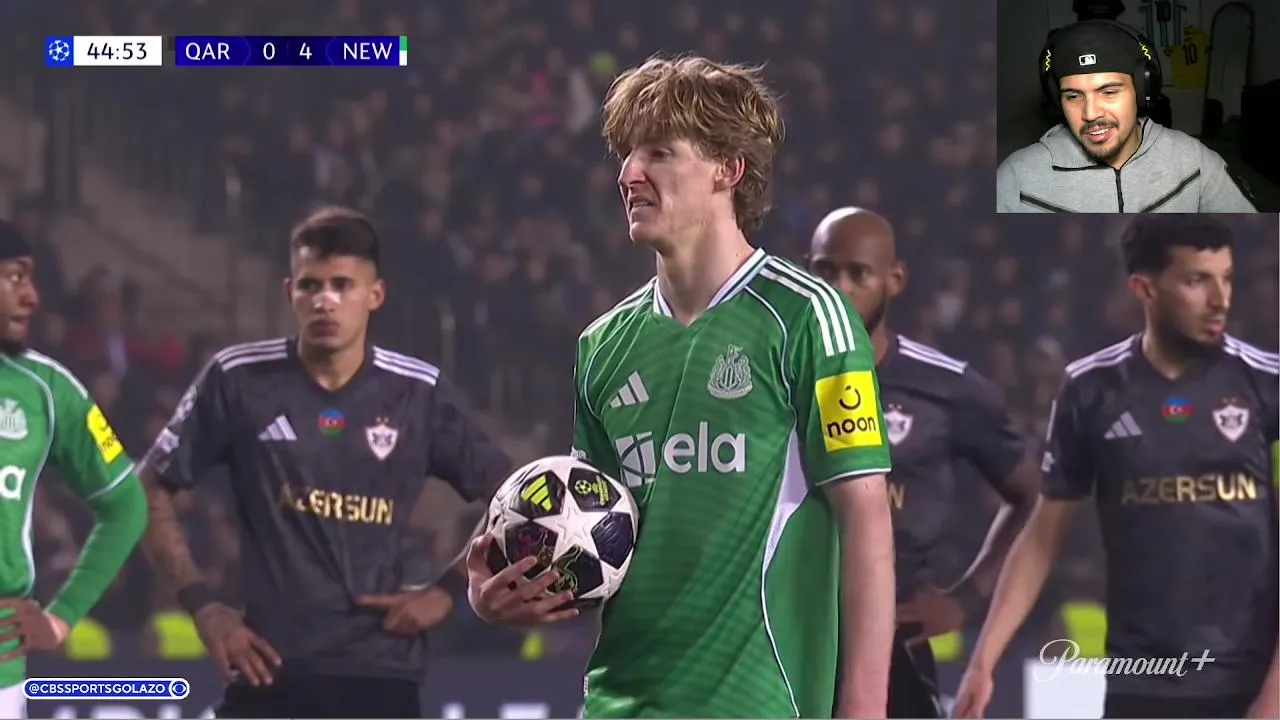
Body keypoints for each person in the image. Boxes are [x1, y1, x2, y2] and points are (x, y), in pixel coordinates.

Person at [464, 56, 898, 718]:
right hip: (617, 703)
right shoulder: (602, 345)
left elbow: (866, 519)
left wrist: (863, 708)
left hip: (759, 704)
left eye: (660, 153)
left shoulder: (809, 318)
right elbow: (591, 536)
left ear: (729, 170)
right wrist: (501, 591)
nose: (629, 174)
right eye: (626, 155)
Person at [137, 207, 512, 719]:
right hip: (267, 668)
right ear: (289, 292)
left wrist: (448, 591)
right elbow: (146, 489)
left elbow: (516, 495)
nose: (325, 301)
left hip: (379, 674)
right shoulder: (238, 379)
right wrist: (204, 606)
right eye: (311, 285)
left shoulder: (418, 391)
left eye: (342, 285)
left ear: (375, 294)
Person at [954, 216, 1279, 719]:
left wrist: (1275, 693)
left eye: (1227, 278)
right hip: (1140, 681)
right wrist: (982, 660)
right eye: (1197, 280)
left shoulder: (1267, 386)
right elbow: (1042, 537)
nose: (1220, 299)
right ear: (1144, 288)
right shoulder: (1091, 390)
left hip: (1251, 683)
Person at [806, 207, 1039, 718]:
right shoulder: (776, 375)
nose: (840, 288)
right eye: (825, 271)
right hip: (788, 638)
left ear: (895, 280)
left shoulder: (946, 387)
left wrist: (965, 599)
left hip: (895, 648)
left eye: (858, 274)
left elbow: (1033, 495)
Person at [0, 219, 148, 719]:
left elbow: (127, 504)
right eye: (15, 277)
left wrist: (61, 617)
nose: (33, 297)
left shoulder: (47, 388)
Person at [996, 20, 1257, 213]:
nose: (1090, 114)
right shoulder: (1017, 178)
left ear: (1141, 91)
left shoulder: (1193, 159)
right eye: (1073, 96)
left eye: (1109, 92)